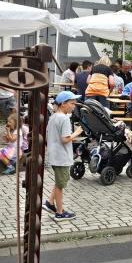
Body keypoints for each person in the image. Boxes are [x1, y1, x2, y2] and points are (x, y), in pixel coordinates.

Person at [43, 91, 83, 220]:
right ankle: (60, 213)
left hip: (54, 155)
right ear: (63, 104)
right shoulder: (65, 118)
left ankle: (50, 203)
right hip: (62, 157)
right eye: (72, 103)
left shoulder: (54, 117)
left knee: (59, 181)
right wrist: (76, 133)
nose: (74, 106)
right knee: (61, 185)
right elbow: (65, 139)